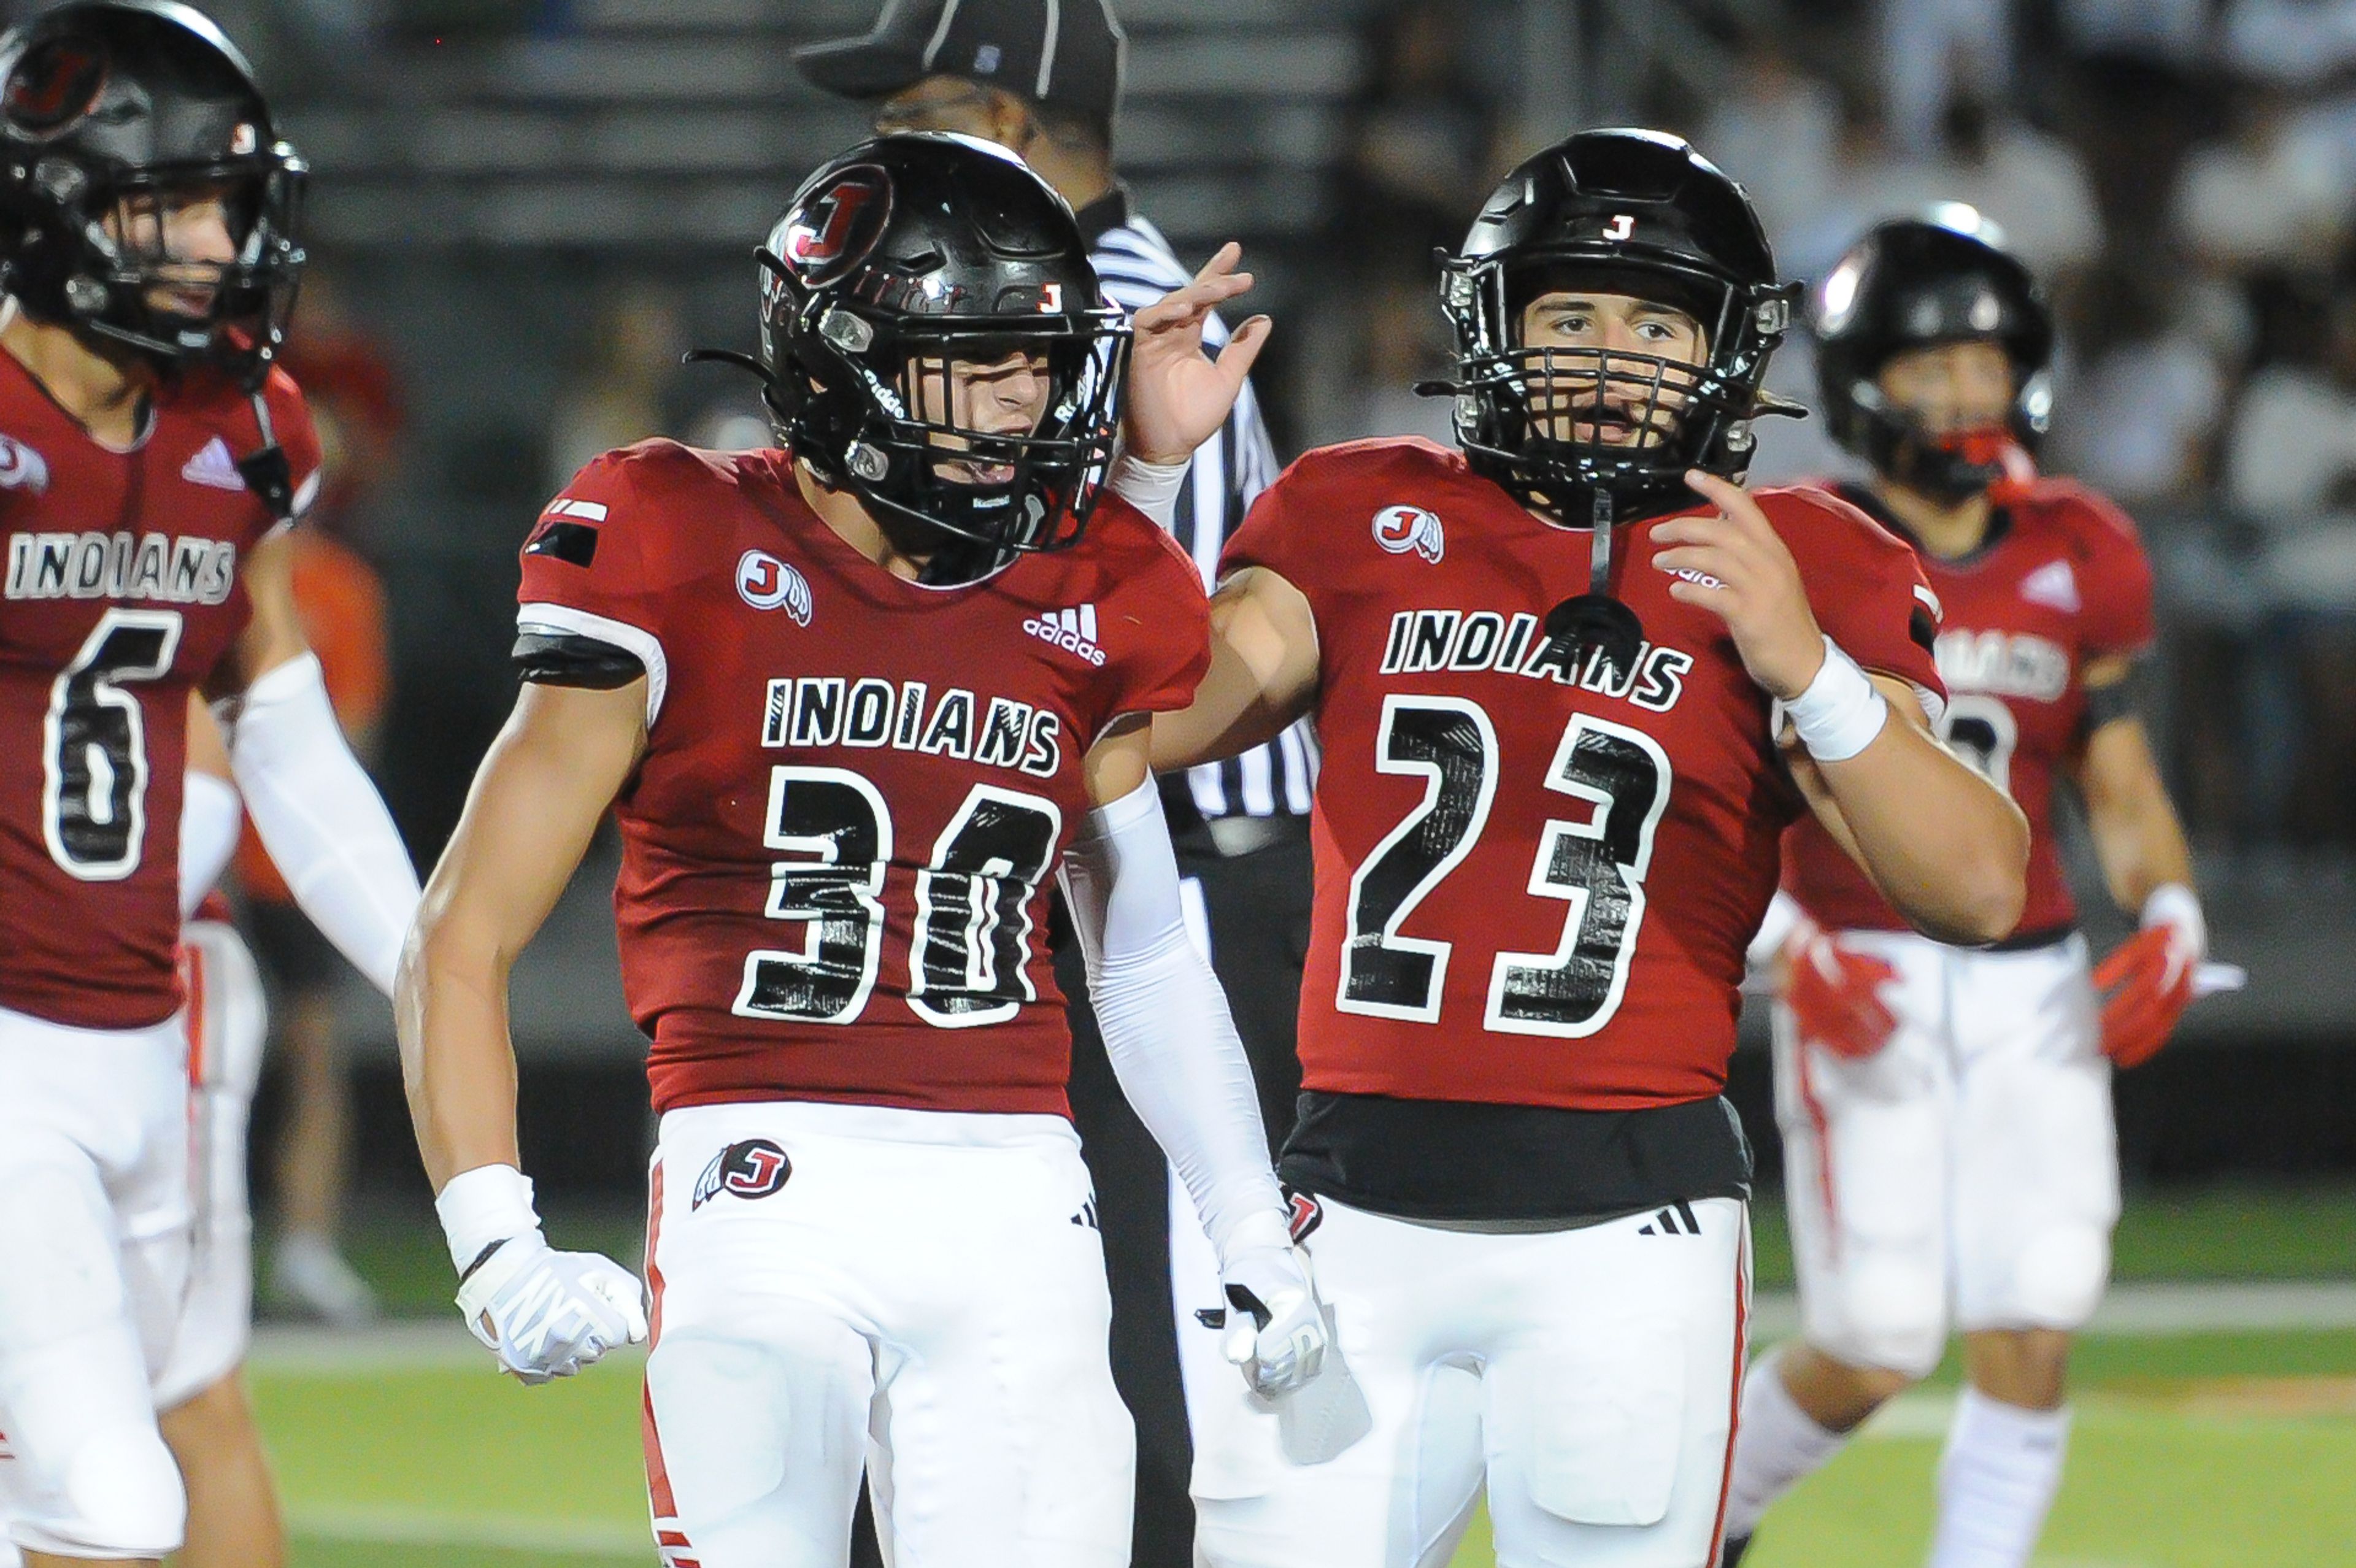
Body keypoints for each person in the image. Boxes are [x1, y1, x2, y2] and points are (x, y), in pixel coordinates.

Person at [396, 132, 1328, 1568]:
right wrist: (494, 1237)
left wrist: (1250, 1231)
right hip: (762, 1179)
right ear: (845, 354)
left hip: (1021, 1186)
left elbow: (1140, 957)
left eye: (1046, 357)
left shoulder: (1095, 581)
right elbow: (462, 933)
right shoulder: (673, 531)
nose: (1031, 401)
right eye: (989, 358)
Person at [1142, 128, 2030, 1568]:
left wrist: (1811, 669)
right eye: (1568, 315)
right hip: (1349, 1206)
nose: (1608, 355)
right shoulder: (1358, 509)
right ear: (1494, 325)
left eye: (1653, 321)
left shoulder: (1807, 555)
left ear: (1723, 351)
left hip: (1626, 1226)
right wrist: (1130, 484)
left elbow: (1981, 886)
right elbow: (1135, 727)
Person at [795, 7, 1307, 1559]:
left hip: (1170, 854)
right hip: (1123, 832)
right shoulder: (1089, 287)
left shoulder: (1101, 304)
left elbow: (1094, 628)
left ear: (1005, 115)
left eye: (912, 110)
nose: (883, 146)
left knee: (1123, 1348)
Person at [1720, 213, 2208, 1568]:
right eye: (1933, 367)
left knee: (2038, 1309)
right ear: (1872, 378)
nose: (1965, 393)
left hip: (2031, 967)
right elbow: (1720, 782)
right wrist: (1779, 940)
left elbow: (2117, 778)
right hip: (1862, 951)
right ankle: (1711, 1517)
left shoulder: (2081, 546)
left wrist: (2170, 912)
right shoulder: (1803, 541)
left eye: (1985, 363)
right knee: (1875, 1335)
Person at [0, 5, 421, 1566]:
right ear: (55, 200)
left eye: (227, 203)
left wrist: (435, 970)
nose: (210, 242)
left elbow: (289, 734)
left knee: (151, 1444)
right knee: (112, 1500)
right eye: (167, 202)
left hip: (138, 1017)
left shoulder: (236, 425)